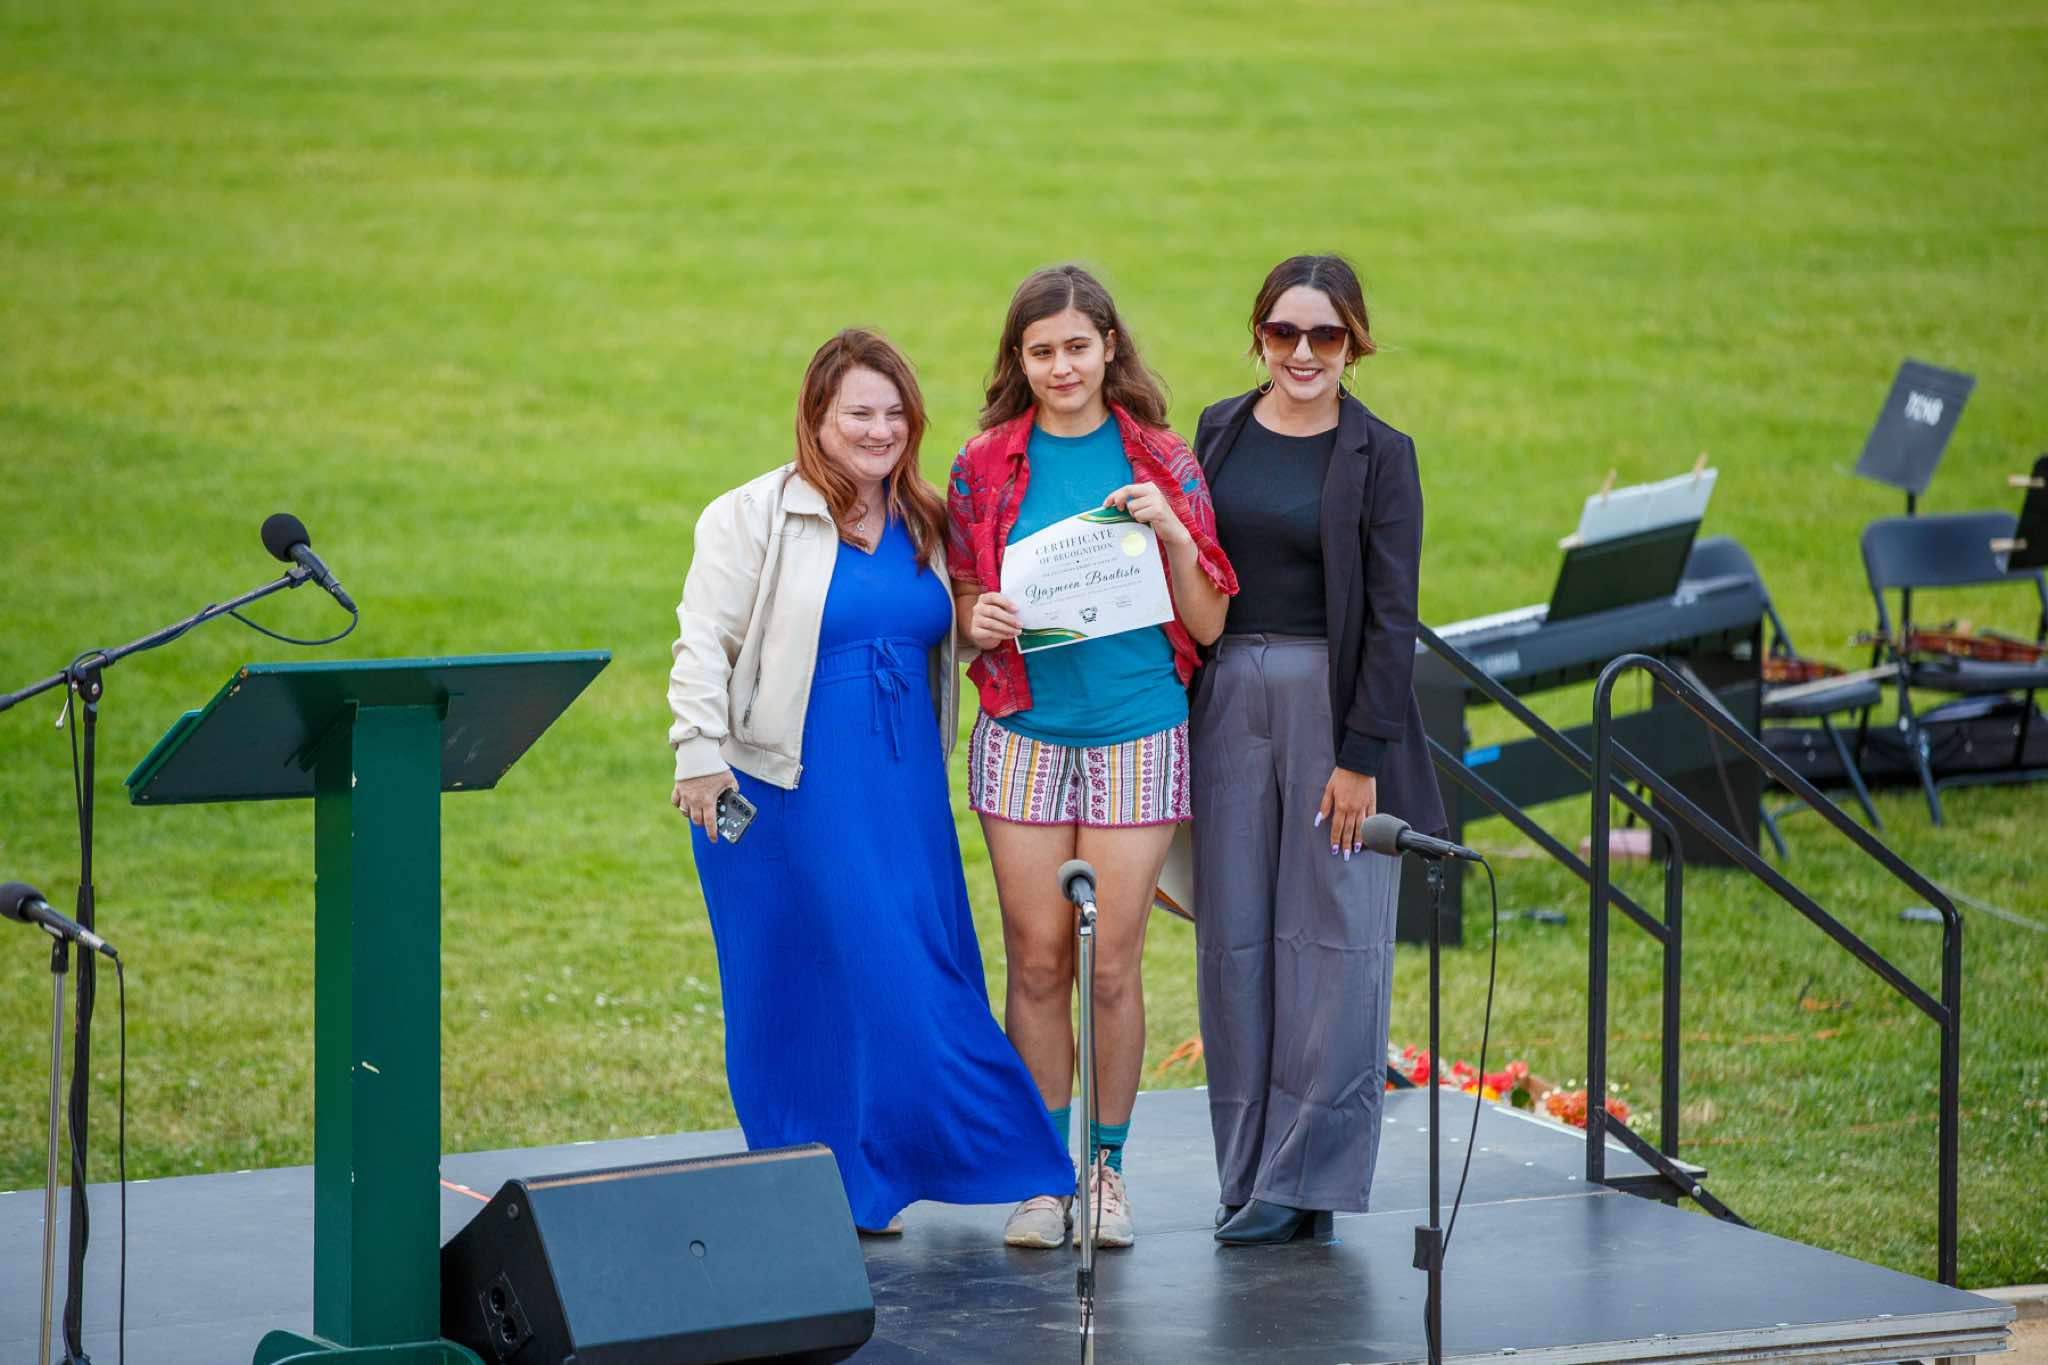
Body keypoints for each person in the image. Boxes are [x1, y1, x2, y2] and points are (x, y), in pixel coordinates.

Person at [667, 327, 1072, 1235]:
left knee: (920, 974)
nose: (880, 430)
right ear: (818, 415)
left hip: (901, 786)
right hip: (789, 786)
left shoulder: (925, 518)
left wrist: (975, 625)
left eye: (895, 414)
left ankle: (1017, 1168)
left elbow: (920, 629)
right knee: (801, 987)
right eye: (859, 413)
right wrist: (696, 748)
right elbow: (704, 640)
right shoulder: (754, 514)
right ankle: (832, 1188)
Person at [948, 265, 1236, 1249]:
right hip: (1024, 731)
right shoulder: (984, 464)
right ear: (1018, 359)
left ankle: (1106, 1171)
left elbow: (1208, 619)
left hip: (1136, 727)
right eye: (1041, 351)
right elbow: (958, 596)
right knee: (1035, 961)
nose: (1061, 366)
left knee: (1109, 964)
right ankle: (1042, 1176)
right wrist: (975, 618)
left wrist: (1170, 532)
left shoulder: (1160, 457)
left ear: (1109, 346)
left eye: (1077, 346)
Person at [1190, 254, 1448, 1245]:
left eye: (1325, 335)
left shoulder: (1381, 454)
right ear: (1258, 336)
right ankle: (1248, 1169)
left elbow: (1392, 618)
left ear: (1354, 344)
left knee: (1334, 942)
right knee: (1234, 939)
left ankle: (1310, 1179)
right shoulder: (1218, 429)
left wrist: (1358, 755)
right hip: (1226, 699)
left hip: (1330, 713)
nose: (1303, 352)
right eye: (1284, 332)